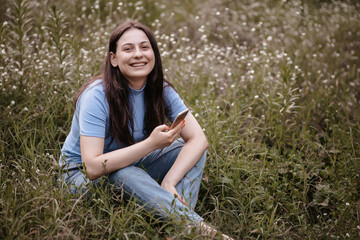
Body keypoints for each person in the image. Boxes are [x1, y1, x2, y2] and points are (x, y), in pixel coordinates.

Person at [59, 20, 232, 239]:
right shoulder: (96, 96)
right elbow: (92, 167)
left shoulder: (160, 89)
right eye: (128, 49)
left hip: (129, 166)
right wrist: (151, 145)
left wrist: (169, 181)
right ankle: (200, 231)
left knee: (190, 150)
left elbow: (199, 139)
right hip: (81, 179)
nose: (138, 54)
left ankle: (176, 226)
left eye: (144, 47)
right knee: (125, 173)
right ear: (113, 59)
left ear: (154, 54)